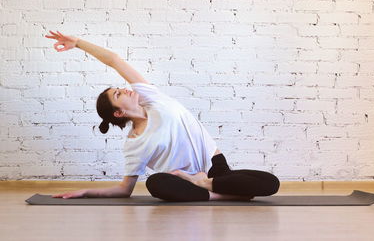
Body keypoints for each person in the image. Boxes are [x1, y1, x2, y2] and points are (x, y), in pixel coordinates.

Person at [46, 31, 280, 201]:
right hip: (181, 180)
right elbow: (125, 189)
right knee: (155, 183)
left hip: (215, 168)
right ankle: (221, 195)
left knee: (271, 183)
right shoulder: (134, 144)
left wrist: (78, 43)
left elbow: (114, 60)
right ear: (118, 112)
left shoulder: (151, 98)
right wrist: (87, 192)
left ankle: (207, 186)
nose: (125, 88)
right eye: (118, 93)